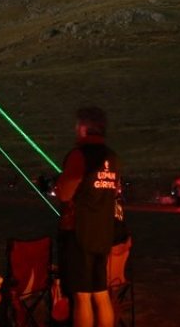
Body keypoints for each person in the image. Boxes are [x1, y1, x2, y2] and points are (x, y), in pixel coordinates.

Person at [55, 106, 122, 327]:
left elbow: (66, 193)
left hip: (80, 233)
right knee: (101, 293)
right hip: (103, 233)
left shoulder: (79, 155)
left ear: (84, 127)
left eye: (77, 125)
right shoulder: (112, 156)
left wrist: (60, 185)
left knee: (82, 296)